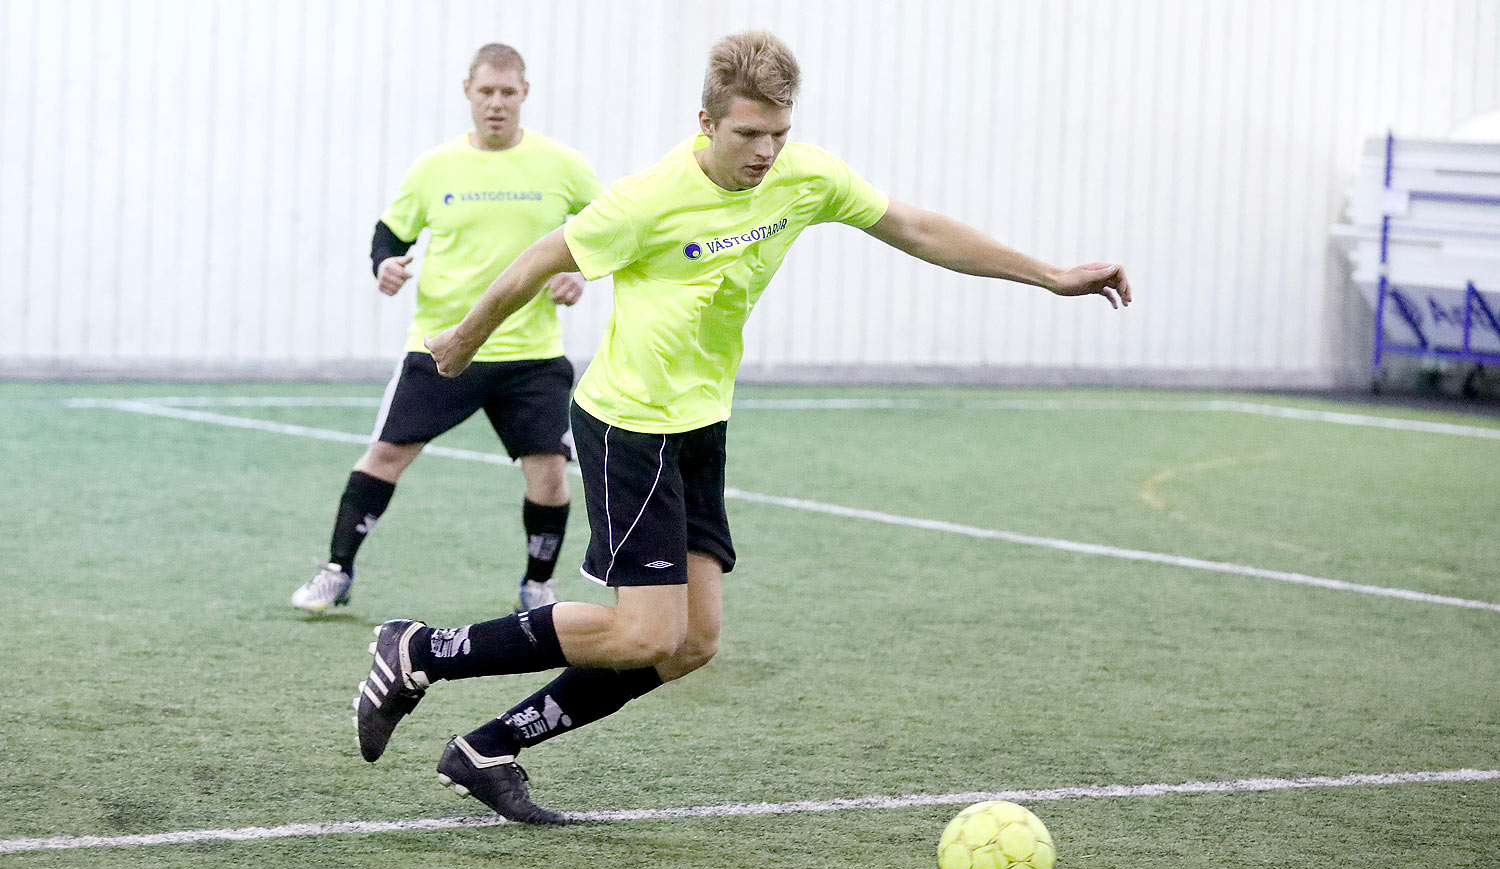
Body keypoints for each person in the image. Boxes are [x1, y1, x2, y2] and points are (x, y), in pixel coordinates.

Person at [354, 30, 1131, 825]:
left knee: (692, 643)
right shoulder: (646, 199)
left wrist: (1051, 275)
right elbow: (534, 261)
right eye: (748, 134)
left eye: (778, 134)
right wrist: (464, 339)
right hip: (630, 425)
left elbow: (918, 228)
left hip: (698, 426)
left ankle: (486, 748)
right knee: (643, 631)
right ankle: (421, 650)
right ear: (706, 121)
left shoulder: (804, 176)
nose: (765, 152)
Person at [291, 44, 602, 614]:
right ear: (468, 92)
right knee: (384, 455)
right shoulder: (434, 168)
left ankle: (536, 586)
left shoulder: (563, 165)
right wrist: (384, 265)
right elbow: (391, 233)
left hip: (531, 353)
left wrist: (578, 271)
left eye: (508, 92)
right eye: (486, 92)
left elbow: (606, 228)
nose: (497, 104)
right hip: (443, 347)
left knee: (550, 474)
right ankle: (337, 572)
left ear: (525, 94)